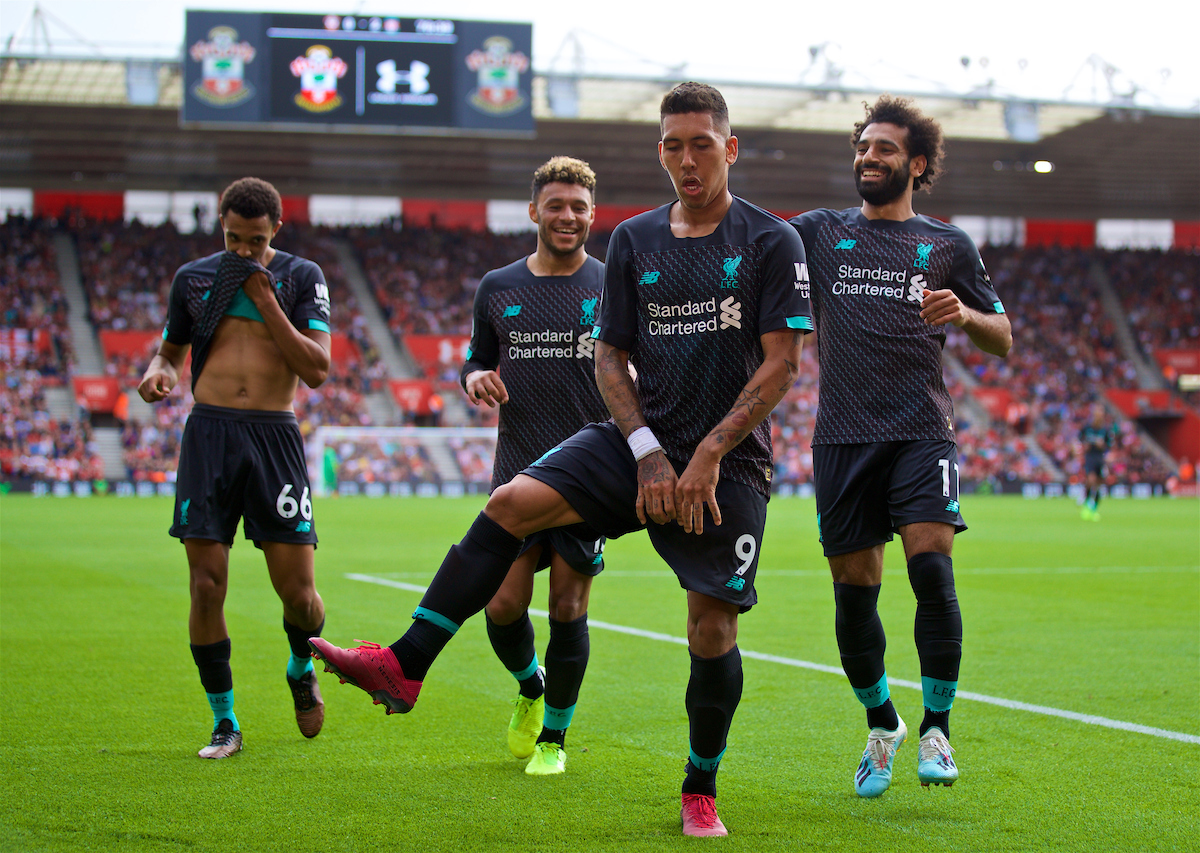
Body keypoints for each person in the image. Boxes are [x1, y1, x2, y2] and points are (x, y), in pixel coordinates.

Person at [311, 82, 812, 837]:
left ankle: (698, 788)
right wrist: (645, 448)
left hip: (728, 462)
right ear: (660, 152)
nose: (686, 159)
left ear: (729, 148)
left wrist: (708, 451)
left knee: (711, 629)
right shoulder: (637, 241)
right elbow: (610, 357)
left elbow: (782, 364)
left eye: (701, 143)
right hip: (638, 440)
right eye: (672, 145)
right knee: (509, 503)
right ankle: (405, 664)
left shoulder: (771, 241)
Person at [790, 95, 1012, 798]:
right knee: (855, 599)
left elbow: (1002, 334)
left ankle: (937, 727)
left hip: (922, 429)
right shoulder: (819, 233)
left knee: (933, 571)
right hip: (843, 437)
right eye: (862, 147)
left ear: (915, 163)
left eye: (883, 149)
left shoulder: (949, 245)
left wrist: (966, 311)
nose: (868, 157)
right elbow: (747, 240)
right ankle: (881, 724)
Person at [138, 177, 333, 759]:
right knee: (205, 585)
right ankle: (225, 722)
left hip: (274, 435)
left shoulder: (302, 277)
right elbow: (170, 349)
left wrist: (264, 295)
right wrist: (160, 373)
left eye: (253, 240)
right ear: (220, 224)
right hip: (210, 435)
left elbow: (317, 368)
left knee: (299, 597)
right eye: (232, 239)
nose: (242, 250)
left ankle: (301, 666)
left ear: (275, 228)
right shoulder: (193, 278)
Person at [461, 156, 612, 775]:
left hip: (589, 474)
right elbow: (475, 358)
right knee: (501, 606)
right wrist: (474, 377)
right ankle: (531, 685)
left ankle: (553, 739)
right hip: (516, 470)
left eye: (578, 206)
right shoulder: (498, 286)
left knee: (569, 608)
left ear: (592, 213)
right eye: (556, 205)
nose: (568, 216)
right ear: (534, 211)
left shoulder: (611, 281)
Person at [1078, 404, 1117, 520]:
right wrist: (1084, 446)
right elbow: (1080, 440)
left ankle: (1093, 508)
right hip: (1090, 457)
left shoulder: (1105, 430)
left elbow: (1109, 445)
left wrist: (1102, 445)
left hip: (1100, 458)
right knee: (1091, 479)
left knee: (1099, 484)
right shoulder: (1087, 428)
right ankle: (1086, 504)